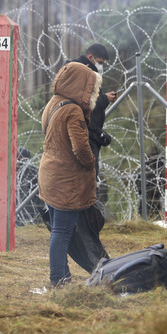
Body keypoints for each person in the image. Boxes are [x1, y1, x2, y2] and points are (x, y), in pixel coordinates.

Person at [38, 61, 108, 286]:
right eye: (91, 87)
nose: (92, 93)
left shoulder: (54, 103)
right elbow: (81, 147)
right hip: (66, 179)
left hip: (51, 173)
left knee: (60, 230)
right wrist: (90, 164)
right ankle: (58, 278)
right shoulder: (73, 110)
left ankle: (62, 274)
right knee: (62, 231)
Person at [65, 43, 118, 177]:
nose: (101, 66)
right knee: (87, 179)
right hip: (84, 133)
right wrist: (105, 99)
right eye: (100, 62)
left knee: (86, 179)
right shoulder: (82, 73)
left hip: (88, 132)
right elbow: (85, 103)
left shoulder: (86, 72)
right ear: (90, 57)